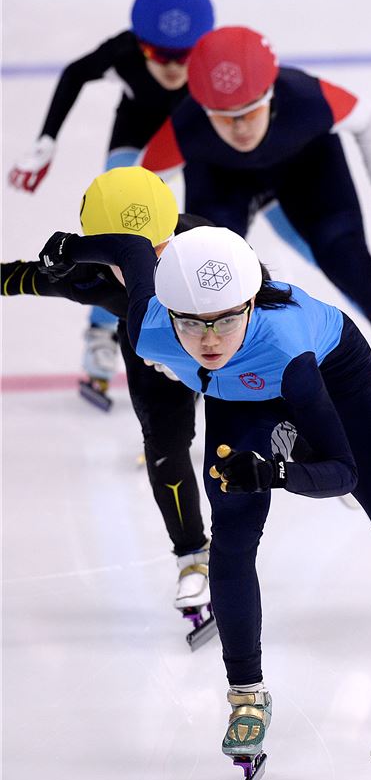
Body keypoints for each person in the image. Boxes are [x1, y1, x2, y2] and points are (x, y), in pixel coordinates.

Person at [35, 221, 371, 779]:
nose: (209, 341)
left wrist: (279, 472)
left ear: (249, 304)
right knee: (234, 534)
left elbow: (343, 470)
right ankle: (247, 694)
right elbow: (133, 249)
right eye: (191, 324)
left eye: (224, 321)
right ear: (168, 314)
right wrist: (72, 248)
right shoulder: (148, 328)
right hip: (243, 403)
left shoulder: (288, 348)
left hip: (333, 392)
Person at [139, 25, 371, 454]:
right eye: (225, 117)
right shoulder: (187, 125)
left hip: (308, 175)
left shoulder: (305, 98)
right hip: (223, 186)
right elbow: (142, 190)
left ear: (271, 95)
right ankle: (214, 396)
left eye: (251, 112)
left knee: (354, 269)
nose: (240, 129)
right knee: (208, 291)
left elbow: (366, 118)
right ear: (203, 108)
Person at [1, 167, 214, 643]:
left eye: (160, 249)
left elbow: (272, 310)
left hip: (224, 341)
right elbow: (16, 278)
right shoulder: (85, 277)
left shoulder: (207, 245)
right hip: (151, 352)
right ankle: (191, 556)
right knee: (165, 449)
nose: (149, 264)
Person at [8, 0, 215, 407]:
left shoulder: (214, 60)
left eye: (184, 55)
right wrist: (48, 138)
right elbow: (74, 74)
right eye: (161, 54)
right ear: (141, 46)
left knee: (193, 233)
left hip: (191, 140)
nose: (175, 66)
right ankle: (101, 333)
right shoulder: (123, 51)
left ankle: (200, 323)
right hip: (137, 134)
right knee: (117, 221)